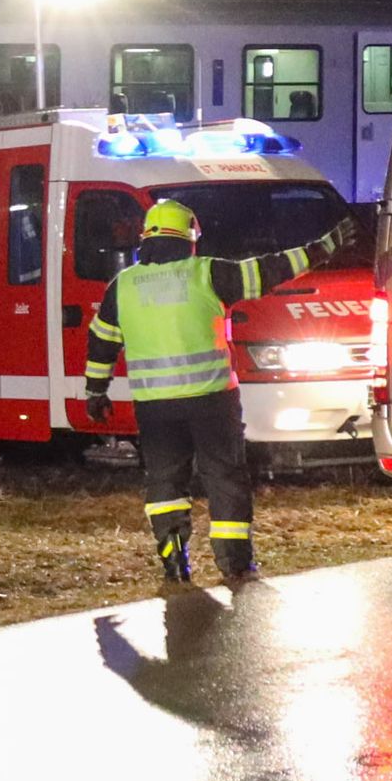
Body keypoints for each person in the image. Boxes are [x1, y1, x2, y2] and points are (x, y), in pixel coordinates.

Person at [83, 196, 353, 585]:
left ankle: (174, 562)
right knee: (224, 478)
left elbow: (101, 342)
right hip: (212, 401)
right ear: (189, 236)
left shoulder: (122, 287)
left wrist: (96, 391)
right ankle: (235, 564)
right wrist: (322, 249)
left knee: (164, 483)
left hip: (155, 409)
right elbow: (269, 269)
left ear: (147, 237)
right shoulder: (206, 274)